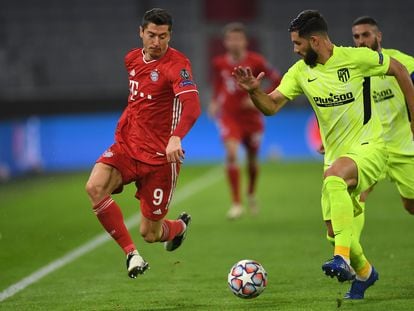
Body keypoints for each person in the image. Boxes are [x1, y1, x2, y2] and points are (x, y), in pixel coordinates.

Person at [232, 9, 414, 291]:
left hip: (370, 147)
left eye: (298, 44)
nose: (294, 50)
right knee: (334, 231)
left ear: (315, 41)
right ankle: (365, 272)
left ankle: (341, 259)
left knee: (336, 177)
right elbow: (271, 106)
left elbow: (400, 69)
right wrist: (254, 91)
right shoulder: (301, 73)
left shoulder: (355, 58)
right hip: (335, 154)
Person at [85, 8, 201, 279]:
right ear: (141, 33)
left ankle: (178, 229)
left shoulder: (178, 65)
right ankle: (131, 254)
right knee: (95, 187)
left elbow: (193, 107)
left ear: (170, 35)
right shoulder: (132, 59)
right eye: (151, 35)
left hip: (161, 159)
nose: (157, 42)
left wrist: (175, 137)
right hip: (127, 147)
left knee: (150, 233)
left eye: (163, 36)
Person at [331, 16, 414, 299]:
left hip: (404, 149)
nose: (361, 41)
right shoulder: (355, 65)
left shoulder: (402, 62)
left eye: (366, 35)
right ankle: (357, 269)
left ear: (379, 35)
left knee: (410, 205)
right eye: (356, 37)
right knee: (355, 201)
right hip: (370, 148)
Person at [208, 22, 281, 219]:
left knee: (251, 159)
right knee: (231, 154)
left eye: (238, 38)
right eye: (231, 39)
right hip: (230, 116)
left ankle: (250, 192)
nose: (235, 42)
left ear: (245, 41)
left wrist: (260, 97)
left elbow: (278, 79)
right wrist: (214, 102)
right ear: (225, 42)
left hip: (252, 119)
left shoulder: (256, 61)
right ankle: (236, 203)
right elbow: (218, 83)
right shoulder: (219, 63)